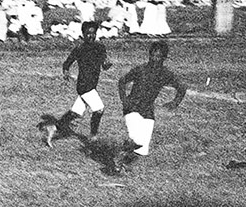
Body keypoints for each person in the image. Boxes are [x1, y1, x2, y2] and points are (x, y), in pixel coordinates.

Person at [112, 40, 188, 175]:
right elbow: (122, 81)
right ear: (149, 55)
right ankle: (119, 158)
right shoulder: (141, 69)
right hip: (132, 107)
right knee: (134, 140)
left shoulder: (166, 73)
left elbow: (181, 87)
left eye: (159, 57)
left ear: (164, 58)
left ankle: (125, 162)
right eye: (153, 55)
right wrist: (124, 100)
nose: (155, 59)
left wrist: (175, 102)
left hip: (147, 110)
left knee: (142, 148)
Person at [44, 22, 111, 146]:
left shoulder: (100, 47)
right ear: (83, 34)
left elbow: (104, 64)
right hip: (84, 85)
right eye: (88, 33)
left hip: (92, 84)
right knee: (99, 109)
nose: (91, 36)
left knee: (75, 113)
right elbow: (67, 63)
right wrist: (66, 72)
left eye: (93, 33)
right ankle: (93, 137)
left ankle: (53, 127)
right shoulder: (80, 49)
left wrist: (107, 64)